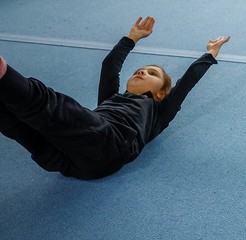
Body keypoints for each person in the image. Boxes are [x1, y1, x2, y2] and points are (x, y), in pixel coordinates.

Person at [0, 16, 230, 180]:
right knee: (16, 122)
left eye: (152, 74)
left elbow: (186, 83)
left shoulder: (158, 111)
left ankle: (3, 72)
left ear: (161, 93)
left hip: (112, 144)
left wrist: (210, 54)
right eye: (139, 70)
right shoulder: (110, 99)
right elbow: (110, 67)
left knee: (52, 106)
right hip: (71, 163)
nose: (142, 72)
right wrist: (131, 38)